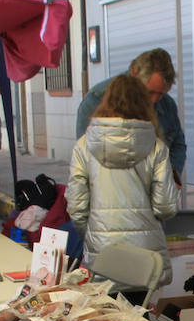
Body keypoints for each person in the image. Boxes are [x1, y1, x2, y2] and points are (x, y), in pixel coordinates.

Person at [68, 74, 178, 285]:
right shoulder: (157, 147)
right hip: (145, 258)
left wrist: (93, 234)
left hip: (103, 255)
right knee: (142, 316)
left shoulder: (83, 146)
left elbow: (76, 208)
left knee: (103, 314)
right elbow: (166, 207)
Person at [76, 48, 186, 183]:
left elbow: (178, 144)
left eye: (161, 94)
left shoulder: (167, 105)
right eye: (150, 92)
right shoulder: (96, 100)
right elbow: (84, 160)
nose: (154, 100)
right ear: (135, 73)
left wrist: (173, 175)